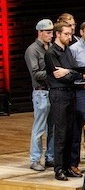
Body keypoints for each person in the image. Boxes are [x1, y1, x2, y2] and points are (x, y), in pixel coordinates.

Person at [46, 21, 85, 181]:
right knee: (61, 132)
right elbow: (61, 76)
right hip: (59, 94)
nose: (69, 37)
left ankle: (67, 166)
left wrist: (70, 72)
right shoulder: (51, 53)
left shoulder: (68, 51)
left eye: (70, 34)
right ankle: (58, 168)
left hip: (71, 93)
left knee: (71, 131)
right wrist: (74, 73)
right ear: (57, 34)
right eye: (66, 34)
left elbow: (73, 70)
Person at [25, 18, 55, 172]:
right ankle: (35, 159)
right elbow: (35, 74)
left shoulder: (51, 48)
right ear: (40, 32)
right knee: (39, 128)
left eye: (52, 32)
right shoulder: (32, 50)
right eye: (48, 32)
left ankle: (50, 157)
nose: (51, 35)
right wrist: (53, 72)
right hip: (41, 92)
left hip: (53, 91)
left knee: (53, 127)